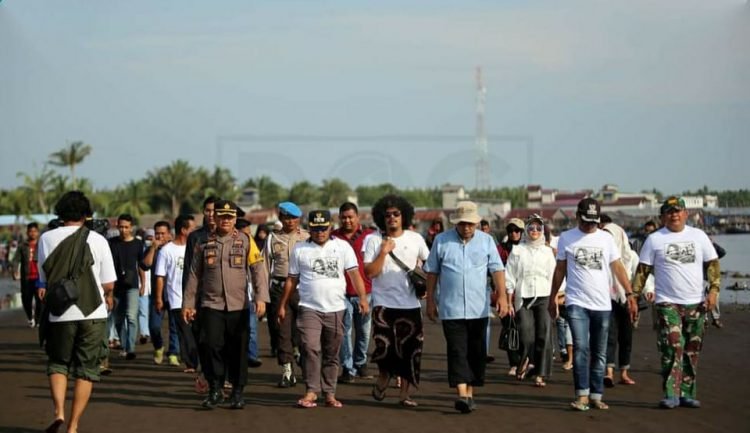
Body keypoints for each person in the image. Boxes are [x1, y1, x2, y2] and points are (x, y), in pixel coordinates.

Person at [37, 191, 117, 433]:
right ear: (86, 214)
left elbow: (44, 277)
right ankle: (73, 426)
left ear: (60, 212)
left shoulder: (46, 238)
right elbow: (109, 284)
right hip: (93, 313)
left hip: (60, 312)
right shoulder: (99, 240)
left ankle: (58, 411)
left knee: (58, 363)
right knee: (86, 369)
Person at [631, 196, 720, 409]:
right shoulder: (654, 239)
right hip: (666, 302)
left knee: (692, 348)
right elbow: (642, 272)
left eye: (678, 210)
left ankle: (687, 393)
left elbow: (713, 265)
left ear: (686, 213)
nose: (674, 215)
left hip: (696, 302)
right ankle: (671, 393)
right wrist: (633, 297)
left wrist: (714, 291)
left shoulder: (698, 236)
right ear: (662, 216)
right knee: (672, 346)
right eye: (669, 212)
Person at [548, 198, 637, 411]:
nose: (590, 226)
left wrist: (630, 294)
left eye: (594, 222)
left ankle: (596, 395)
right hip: (577, 302)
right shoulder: (567, 238)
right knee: (581, 348)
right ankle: (582, 395)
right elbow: (560, 269)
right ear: (577, 216)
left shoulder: (606, 239)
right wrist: (553, 296)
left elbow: (617, 266)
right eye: (586, 221)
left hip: (602, 304)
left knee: (599, 352)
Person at [278, 210, 369, 408]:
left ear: (330, 227)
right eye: (316, 228)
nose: (320, 232)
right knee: (310, 347)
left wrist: (363, 298)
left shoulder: (342, 246)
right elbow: (292, 279)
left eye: (323, 228)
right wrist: (283, 304)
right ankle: (311, 390)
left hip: (336, 307)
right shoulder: (300, 249)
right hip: (309, 307)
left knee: (331, 352)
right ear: (309, 228)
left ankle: (329, 393)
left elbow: (354, 274)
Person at [183, 200, 269, 409]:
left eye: (230, 218)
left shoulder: (246, 240)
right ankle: (215, 388)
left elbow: (258, 270)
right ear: (216, 218)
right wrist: (188, 303)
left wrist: (261, 298)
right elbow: (194, 274)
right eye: (222, 217)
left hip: (238, 306)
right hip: (211, 304)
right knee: (211, 345)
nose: (226, 221)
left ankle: (237, 392)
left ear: (234, 220)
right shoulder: (203, 242)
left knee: (238, 350)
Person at [425, 201, 509, 413]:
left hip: (478, 308)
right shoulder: (442, 241)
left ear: (477, 223)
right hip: (451, 308)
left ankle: (469, 393)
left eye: (471, 224)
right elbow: (432, 272)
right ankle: (462, 394)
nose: (467, 228)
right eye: (463, 224)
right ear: (456, 223)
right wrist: (430, 301)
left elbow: (497, 270)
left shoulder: (487, 241)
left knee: (476, 353)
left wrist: (502, 297)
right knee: (456, 351)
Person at [364, 194, 430, 408]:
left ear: (404, 216)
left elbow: (428, 266)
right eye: (387, 215)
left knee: (411, 351)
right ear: (381, 218)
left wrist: (425, 286)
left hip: (410, 305)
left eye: (396, 214)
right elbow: (370, 273)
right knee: (385, 349)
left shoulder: (415, 239)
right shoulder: (373, 239)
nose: (392, 218)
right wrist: (383, 252)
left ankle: (404, 395)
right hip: (383, 305)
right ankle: (383, 378)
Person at [504, 214, 556, 388]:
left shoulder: (547, 252)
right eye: (531, 228)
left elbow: (554, 276)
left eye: (538, 228)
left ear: (542, 231)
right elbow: (509, 276)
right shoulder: (518, 250)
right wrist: (509, 301)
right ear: (526, 230)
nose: (534, 231)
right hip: (523, 295)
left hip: (543, 294)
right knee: (525, 334)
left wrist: (556, 298)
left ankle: (540, 374)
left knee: (544, 335)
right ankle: (525, 361)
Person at [264, 201, 309, 387]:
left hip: (302, 289)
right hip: (279, 287)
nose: (290, 221)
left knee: (304, 331)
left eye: (293, 218)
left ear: (299, 219)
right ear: (281, 218)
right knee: (281, 331)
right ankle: (287, 372)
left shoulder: (308, 238)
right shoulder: (272, 238)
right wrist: (262, 294)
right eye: (286, 217)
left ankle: (303, 359)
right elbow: (265, 266)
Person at [331, 202, 376, 383]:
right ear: (339, 218)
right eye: (344, 217)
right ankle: (348, 368)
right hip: (341, 292)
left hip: (366, 291)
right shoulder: (333, 237)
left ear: (358, 217)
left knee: (364, 331)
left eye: (350, 217)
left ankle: (361, 362)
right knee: (345, 331)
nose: (347, 220)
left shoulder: (369, 236)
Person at [599, 218, 639, 388]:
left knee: (626, 337)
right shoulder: (601, 255)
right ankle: (608, 372)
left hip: (628, 300)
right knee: (611, 335)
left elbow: (642, 275)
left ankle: (623, 372)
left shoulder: (631, 256)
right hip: (607, 299)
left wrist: (647, 290)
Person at [155, 215, 197, 371]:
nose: (195, 231)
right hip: (176, 299)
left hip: (195, 298)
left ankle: (197, 360)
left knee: (196, 332)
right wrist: (159, 299)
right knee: (184, 333)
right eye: (192, 228)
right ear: (184, 230)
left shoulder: (195, 247)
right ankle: (191, 363)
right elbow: (160, 277)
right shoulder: (166, 251)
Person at [108, 214, 146, 360]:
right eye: (121, 227)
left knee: (131, 317)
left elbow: (141, 266)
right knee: (118, 318)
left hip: (132, 286)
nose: (123, 230)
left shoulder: (137, 244)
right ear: (117, 226)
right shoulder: (112, 243)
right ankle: (124, 345)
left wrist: (143, 284)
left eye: (126, 227)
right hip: (116, 286)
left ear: (131, 228)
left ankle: (130, 348)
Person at [141, 220, 175, 365]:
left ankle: (173, 353)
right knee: (154, 326)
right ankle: (159, 346)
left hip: (174, 294)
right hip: (157, 294)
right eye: (157, 234)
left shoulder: (176, 248)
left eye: (163, 233)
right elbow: (145, 265)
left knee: (175, 327)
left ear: (169, 234)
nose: (160, 236)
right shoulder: (151, 249)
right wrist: (153, 248)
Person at [498, 218, 524, 375]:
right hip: (506, 294)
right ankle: (514, 363)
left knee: (525, 329)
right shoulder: (500, 249)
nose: (513, 233)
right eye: (510, 231)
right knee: (509, 328)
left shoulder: (528, 248)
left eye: (517, 230)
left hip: (524, 293)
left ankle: (526, 360)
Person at [236, 218, 262, 368]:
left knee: (251, 328)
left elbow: (258, 269)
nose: (249, 235)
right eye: (246, 232)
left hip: (250, 294)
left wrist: (260, 296)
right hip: (233, 295)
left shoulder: (252, 245)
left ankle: (252, 356)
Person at [12, 222, 42, 327]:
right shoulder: (22, 246)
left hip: (39, 278)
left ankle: (38, 319)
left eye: (35, 231)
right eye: (31, 231)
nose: (33, 233)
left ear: (38, 232)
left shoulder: (42, 244)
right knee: (26, 300)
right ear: (27, 233)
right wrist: (15, 270)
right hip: (26, 278)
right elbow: (15, 260)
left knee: (40, 300)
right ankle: (30, 316)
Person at [137, 228, 155, 345]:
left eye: (151, 238)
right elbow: (141, 267)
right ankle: (144, 333)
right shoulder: (141, 250)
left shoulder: (160, 251)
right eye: (147, 238)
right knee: (143, 311)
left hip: (155, 287)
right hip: (143, 286)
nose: (149, 240)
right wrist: (143, 285)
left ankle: (152, 333)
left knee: (151, 313)